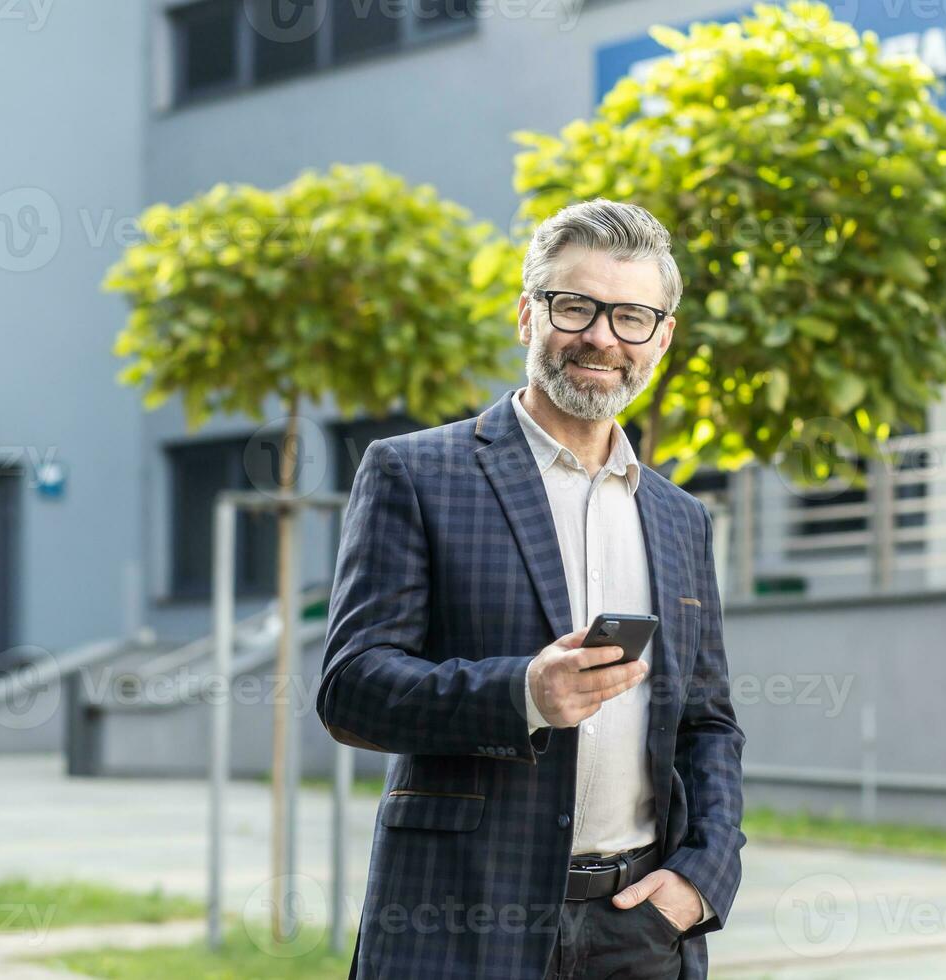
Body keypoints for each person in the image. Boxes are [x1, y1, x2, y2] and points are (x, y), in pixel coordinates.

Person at [318, 198, 745, 979]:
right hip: (461, 920)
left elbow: (708, 723)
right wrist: (522, 694)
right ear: (527, 315)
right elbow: (351, 690)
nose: (602, 337)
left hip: (638, 929)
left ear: (663, 338)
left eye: (631, 317)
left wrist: (701, 879)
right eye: (575, 306)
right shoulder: (415, 474)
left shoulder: (681, 518)